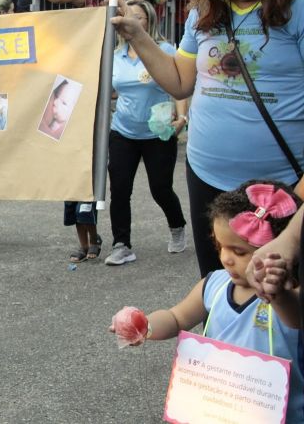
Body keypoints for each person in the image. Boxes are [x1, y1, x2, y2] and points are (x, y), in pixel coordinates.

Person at [110, 0, 304, 277]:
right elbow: (180, 80)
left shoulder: (299, 7)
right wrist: (138, 36)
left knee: (279, 312)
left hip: (283, 188)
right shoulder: (205, 11)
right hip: (207, 178)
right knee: (217, 294)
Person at [115, 180, 303, 423]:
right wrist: (145, 325)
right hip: (218, 407)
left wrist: (277, 293)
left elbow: (295, 317)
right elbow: (176, 317)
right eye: (220, 246)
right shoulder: (214, 284)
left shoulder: (287, 293)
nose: (226, 258)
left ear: (276, 250)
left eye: (240, 251)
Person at [105, 1, 188, 266]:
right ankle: (122, 244)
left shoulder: (164, 50)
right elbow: (110, 90)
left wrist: (182, 117)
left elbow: (178, 87)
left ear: (149, 21)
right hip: (122, 130)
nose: (130, 20)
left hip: (158, 131)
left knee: (160, 189)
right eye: (127, 16)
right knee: (119, 189)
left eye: (137, 17)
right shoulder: (115, 54)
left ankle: (177, 227)